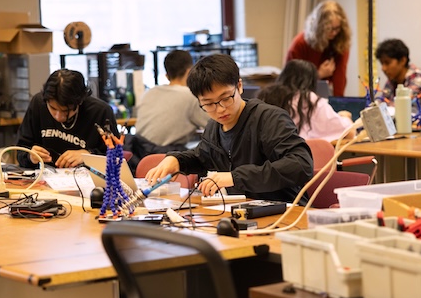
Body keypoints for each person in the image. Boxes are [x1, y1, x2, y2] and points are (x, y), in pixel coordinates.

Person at [144, 54, 313, 204]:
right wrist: (176, 160)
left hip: (287, 212)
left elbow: (300, 165)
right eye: (209, 104)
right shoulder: (214, 127)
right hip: (243, 212)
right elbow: (202, 156)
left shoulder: (269, 119)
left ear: (239, 86)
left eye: (226, 98)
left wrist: (234, 177)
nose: (220, 109)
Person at [16, 69, 119, 168]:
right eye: (52, 108)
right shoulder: (38, 104)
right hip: (43, 179)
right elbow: (20, 151)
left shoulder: (100, 112)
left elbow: (116, 158)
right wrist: (30, 156)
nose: (58, 116)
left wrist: (88, 155)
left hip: (86, 181)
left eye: (66, 111)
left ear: (80, 102)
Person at [127, 50, 209, 170]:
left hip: (138, 156)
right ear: (190, 71)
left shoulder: (150, 92)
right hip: (165, 158)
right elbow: (216, 124)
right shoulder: (191, 96)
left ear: (166, 75)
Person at [285, 0, 352, 97]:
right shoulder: (299, 45)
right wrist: (317, 75)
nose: (333, 33)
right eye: (329, 29)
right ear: (318, 27)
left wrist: (339, 104)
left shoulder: (341, 42)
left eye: (337, 28)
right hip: (300, 99)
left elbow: (340, 80)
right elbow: (290, 83)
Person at [276, 59, 354, 142]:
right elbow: (349, 132)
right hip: (301, 153)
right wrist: (346, 117)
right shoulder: (309, 99)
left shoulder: (269, 97)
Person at [374, 38, 421, 105]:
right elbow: (382, 102)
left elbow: (403, 106)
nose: (383, 68)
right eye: (382, 63)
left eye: (387, 63)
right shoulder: (392, 80)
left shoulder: (419, 77)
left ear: (403, 60)